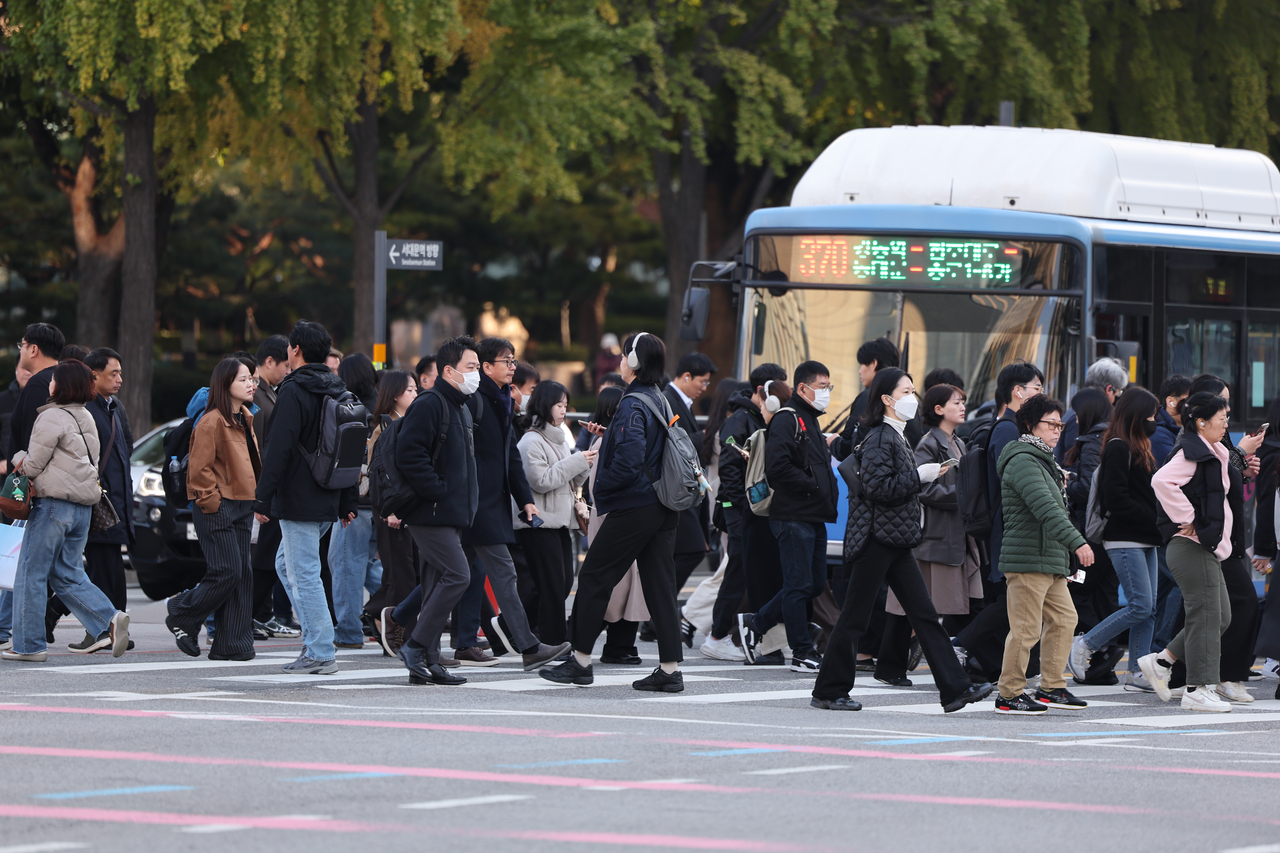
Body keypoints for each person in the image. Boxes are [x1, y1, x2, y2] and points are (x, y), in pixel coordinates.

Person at [811, 368, 992, 712]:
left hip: (893, 539)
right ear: (887, 399)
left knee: (923, 615)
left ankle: (955, 689)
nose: (913, 397)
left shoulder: (896, 435)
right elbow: (879, 489)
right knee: (855, 618)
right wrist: (919, 476)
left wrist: (915, 477)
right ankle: (829, 690)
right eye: (906, 391)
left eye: (912, 391)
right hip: (877, 539)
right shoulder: (882, 436)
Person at [540, 332, 687, 692]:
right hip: (664, 505)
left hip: (635, 505)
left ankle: (580, 662)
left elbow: (630, 459)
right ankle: (669, 670)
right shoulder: (660, 400)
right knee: (660, 586)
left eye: (625, 355)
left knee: (594, 578)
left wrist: (603, 489)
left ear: (634, 361)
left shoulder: (632, 402)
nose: (621, 361)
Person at [455, 338, 571, 670]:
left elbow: (509, 457)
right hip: (475, 504)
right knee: (501, 575)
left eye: (513, 360)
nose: (512, 367)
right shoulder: (474, 401)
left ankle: (407, 624)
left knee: (451, 576)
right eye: (506, 361)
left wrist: (525, 501)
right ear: (486, 367)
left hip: (491, 504)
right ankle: (529, 647)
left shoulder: (503, 399)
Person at [3, 359, 130, 662]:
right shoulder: (86, 416)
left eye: (53, 379)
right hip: (83, 509)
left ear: (62, 384)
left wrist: (18, 456)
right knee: (68, 574)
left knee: (30, 574)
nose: (49, 383)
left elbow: (32, 465)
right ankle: (109, 619)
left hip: (53, 506)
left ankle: (28, 645)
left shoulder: (50, 417)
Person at [254, 321, 359, 675]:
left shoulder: (294, 389)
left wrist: (262, 498)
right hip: (329, 494)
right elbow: (349, 448)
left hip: (299, 497)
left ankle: (320, 649)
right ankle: (316, 638)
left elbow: (278, 448)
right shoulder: (338, 389)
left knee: (304, 573)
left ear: (294, 351)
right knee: (290, 566)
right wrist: (347, 502)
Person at [1140, 392, 1243, 712]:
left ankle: (1162, 662)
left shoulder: (1213, 451)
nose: (1226, 423)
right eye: (1222, 418)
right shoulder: (1192, 450)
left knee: (1220, 615)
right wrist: (1189, 519)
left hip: (1205, 547)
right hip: (1191, 547)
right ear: (1202, 422)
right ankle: (1199, 687)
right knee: (1208, 615)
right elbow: (1161, 481)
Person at [875, 383, 981, 686]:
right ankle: (956, 670)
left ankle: (895, 667)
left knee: (932, 605)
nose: (962, 407)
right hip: (934, 536)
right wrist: (963, 496)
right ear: (938, 409)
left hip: (950, 535)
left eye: (963, 402)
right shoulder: (929, 443)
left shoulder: (956, 441)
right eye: (956, 402)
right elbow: (921, 486)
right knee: (914, 605)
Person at [993, 394, 1092, 714]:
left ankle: (1052, 687)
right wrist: (1077, 542)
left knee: (1065, 619)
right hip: (1027, 559)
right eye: (1051, 424)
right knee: (1025, 629)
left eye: (1060, 424)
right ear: (1030, 425)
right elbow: (1047, 509)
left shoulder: (1043, 459)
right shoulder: (1022, 459)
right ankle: (1008, 693)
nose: (1058, 430)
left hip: (1048, 558)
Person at [393, 336, 482, 686]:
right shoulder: (431, 403)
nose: (476, 374)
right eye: (471, 368)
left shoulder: (460, 404)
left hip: (450, 512)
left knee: (434, 584)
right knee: (458, 576)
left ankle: (428, 660)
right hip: (430, 512)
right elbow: (409, 455)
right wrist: (439, 492)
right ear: (449, 370)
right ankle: (415, 646)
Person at [740, 360, 838, 673]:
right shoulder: (787, 419)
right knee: (798, 584)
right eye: (822, 387)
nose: (826, 393)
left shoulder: (811, 419)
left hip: (814, 515)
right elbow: (777, 467)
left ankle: (757, 622)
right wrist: (812, 487)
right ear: (802, 388)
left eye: (828, 387)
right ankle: (801, 651)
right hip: (794, 515)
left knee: (813, 582)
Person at [1068, 386, 1163, 691]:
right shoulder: (1119, 447)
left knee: (1148, 608)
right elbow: (1116, 498)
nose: (1154, 420)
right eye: (1150, 414)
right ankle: (1086, 643)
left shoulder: (1138, 445)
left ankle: (1137, 671)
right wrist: (1152, 517)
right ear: (1136, 415)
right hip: (1124, 538)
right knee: (1140, 605)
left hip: (1145, 538)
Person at [166, 358, 261, 660]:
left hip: (243, 504)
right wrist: (211, 501)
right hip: (217, 505)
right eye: (244, 379)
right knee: (227, 570)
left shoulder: (244, 417)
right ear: (225, 385)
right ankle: (182, 612)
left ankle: (233, 644)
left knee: (242, 573)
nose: (251, 384)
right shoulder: (211, 420)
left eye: (251, 379)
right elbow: (200, 469)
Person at [699, 365, 786, 661]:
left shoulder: (760, 418)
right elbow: (729, 468)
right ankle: (717, 636)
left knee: (748, 574)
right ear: (762, 390)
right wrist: (738, 509)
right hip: (740, 512)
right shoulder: (740, 420)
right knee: (736, 573)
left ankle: (752, 637)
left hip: (755, 513)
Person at [515, 379, 593, 650]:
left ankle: (509, 626)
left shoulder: (558, 438)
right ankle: (554, 641)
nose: (563, 410)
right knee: (551, 584)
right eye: (559, 405)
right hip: (538, 521)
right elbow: (542, 481)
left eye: (566, 405)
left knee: (562, 582)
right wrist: (577, 461)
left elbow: (569, 480)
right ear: (545, 405)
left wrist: (584, 463)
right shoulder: (530, 441)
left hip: (559, 520)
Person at [580, 386, 648, 663]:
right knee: (617, 588)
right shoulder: (606, 444)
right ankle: (588, 644)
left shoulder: (609, 441)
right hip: (614, 521)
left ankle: (619, 645)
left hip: (616, 520)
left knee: (626, 587)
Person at [328, 353, 381, 649]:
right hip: (378, 502)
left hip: (356, 501)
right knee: (368, 564)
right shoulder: (381, 407)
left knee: (346, 565)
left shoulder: (353, 410)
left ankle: (347, 631)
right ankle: (405, 607)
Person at [364, 370, 418, 656]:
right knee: (401, 576)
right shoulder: (383, 428)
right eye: (410, 390)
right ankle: (401, 638)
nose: (415, 394)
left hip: (410, 512)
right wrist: (390, 511)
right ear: (395, 394)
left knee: (407, 574)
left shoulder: (409, 424)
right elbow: (380, 477)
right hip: (392, 513)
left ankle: (376, 612)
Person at [249, 335, 299, 640]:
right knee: (263, 558)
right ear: (269, 362)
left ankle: (258, 615)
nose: (287, 371)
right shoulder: (256, 395)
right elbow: (258, 448)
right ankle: (251, 614)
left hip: (270, 488)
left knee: (268, 557)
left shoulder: (271, 392)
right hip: (261, 488)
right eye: (284, 365)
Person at [1061, 388, 1119, 640]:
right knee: (1105, 593)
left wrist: (1065, 485)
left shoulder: (1093, 442)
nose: (1073, 419)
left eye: (1076, 413)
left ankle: (1096, 646)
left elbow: (1088, 488)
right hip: (1111, 530)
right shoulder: (1113, 437)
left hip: (1092, 531)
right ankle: (1104, 657)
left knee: (1077, 588)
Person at [665, 352, 716, 592]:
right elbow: (673, 441)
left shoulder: (681, 401)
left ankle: (656, 618)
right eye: (702, 381)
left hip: (685, 491)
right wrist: (705, 437)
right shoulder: (668, 400)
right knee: (693, 550)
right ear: (687, 376)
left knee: (688, 551)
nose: (704, 388)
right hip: (676, 491)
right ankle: (657, 612)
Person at [1056, 356, 1129, 463]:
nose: (1117, 396)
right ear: (1109, 389)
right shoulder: (1082, 416)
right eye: (1118, 391)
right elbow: (1074, 461)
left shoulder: (1079, 411)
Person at [1152, 374, 1191, 466]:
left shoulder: (1180, 429)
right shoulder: (1158, 434)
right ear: (1171, 402)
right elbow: (1180, 468)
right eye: (1188, 401)